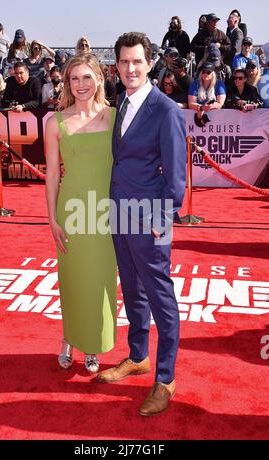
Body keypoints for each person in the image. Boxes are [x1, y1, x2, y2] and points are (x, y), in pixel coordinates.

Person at [96, 32, 187, 417]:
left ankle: (165, 379)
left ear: (150, 63)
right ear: (116, 66)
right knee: (132, 289)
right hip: (120, 214)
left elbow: (177, 176)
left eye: (137, 61)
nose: (130, 68)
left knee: (160, 296)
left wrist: (162, 218)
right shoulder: (122, 101)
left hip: (152, 220)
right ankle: (138, 356)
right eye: (123, 62)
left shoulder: (166, 110)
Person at [45, 53, 117, 374]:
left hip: (106, 213)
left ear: (100, 79)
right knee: (72, 280)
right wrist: (52, 219)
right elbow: (50, 174)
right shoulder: (55, 123)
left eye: (87, 77)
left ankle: (94, 344)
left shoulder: (115, 118)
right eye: (74, 79)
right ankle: (68, 338)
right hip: (72, 211)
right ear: (67, 83)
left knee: (100, 280)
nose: (81, 85)